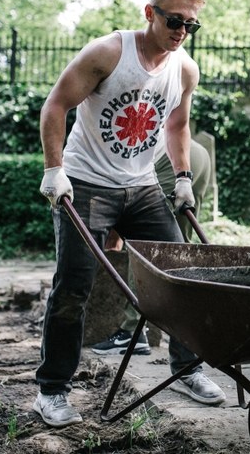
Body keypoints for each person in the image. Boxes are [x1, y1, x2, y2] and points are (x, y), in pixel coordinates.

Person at [34, 0, 226, 428]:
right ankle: (52, 391)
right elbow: (55, 105)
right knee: (73, 287)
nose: (181, 31)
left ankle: (186, 369)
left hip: (142, 186)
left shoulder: (184, 69)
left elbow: (177, 126)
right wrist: (54, 169)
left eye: (191, 25)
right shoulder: (108, 53)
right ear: (149, 13)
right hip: (87, 183)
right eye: (174, 20)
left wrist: (181, 178)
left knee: (183, 275)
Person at [90, 139, 212, 356]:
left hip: (167, 159)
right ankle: (188, 335)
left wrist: (116, 232)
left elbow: (119, 195)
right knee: (179, 247)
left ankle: (132, 333)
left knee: (144, 247)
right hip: (196, 154)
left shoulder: (91, 149)